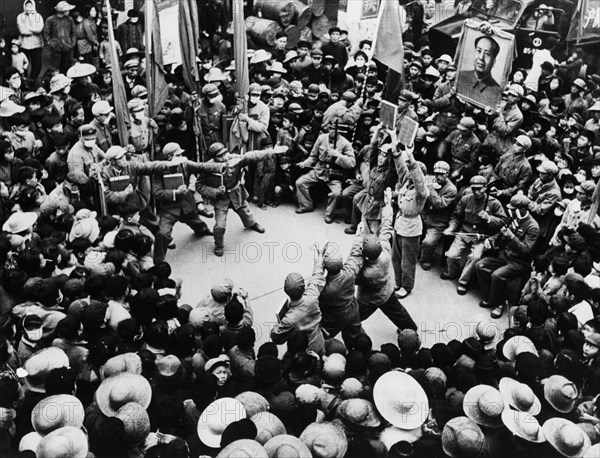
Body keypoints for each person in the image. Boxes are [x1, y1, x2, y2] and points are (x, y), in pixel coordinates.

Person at [195, 142, 288, 256]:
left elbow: (253, 155)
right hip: (221, 199)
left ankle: (251, 224)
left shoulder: (234, 159)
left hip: (236, 193)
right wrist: (215, 191)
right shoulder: (207, 167)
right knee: (219, 225)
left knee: (245, 211)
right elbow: (199, 186)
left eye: (225, 153)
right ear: (213, 158)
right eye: (220, 156)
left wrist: (271, 151)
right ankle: (219, 245)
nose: (224, 157)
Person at [357, 187, 418, 332]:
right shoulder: (384, 250)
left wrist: (358, 236)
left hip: (368, 298)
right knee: (398, 313)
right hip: (386, 291)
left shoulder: (364, 271)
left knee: (353, 318)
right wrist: (388, 205)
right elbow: (386, 226)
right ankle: (411, 329)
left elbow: (351, 275)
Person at [152, 143, 224, 263]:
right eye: (178, 154)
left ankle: (203, 230)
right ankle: (158, 262)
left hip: (187, 205)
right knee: (163, 234)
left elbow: (202, 166)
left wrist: (221, 166)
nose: (182, 156)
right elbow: (156, 192)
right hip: (169, 209)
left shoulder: (185, 164)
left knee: (196, 221)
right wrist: (175, 192)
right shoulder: (159, 170)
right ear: (169, 157)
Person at [476, 193, 539, 318]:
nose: (510, 210)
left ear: (522, 209)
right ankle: (493, 295)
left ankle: (498, 302)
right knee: (480, 266)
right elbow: (501, 233)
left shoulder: (532, 226)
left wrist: (512, 236)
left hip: (519, 262)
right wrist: (491, 240)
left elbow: (526, 249)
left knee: (497, 275)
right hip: (505, 255)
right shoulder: (514, 218)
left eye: (513, 209)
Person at [441, 175, 507, 295]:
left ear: (485, 187)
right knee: (451, 255)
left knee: (475, 257)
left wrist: (489, 218)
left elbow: (503, 221)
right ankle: (452, 272)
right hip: (464, 232)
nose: (476, 192)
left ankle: (463, 282)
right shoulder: (466, 199)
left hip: (481, 237)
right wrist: (451, 227)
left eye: (479, 189)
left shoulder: (494, 203)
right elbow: (456, 216)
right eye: (473, 189)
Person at [271, 243, 327, 355]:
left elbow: (276, 337)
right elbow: (317, 275)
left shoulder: (289, 319)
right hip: (318, 341)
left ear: (286, 290)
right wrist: (320, 256)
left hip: (301, 350)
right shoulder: (312, 296)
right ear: (303, 287)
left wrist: (278, 324)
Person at [391, 135, 429, 299]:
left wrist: (411, 158)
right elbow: (399, 164)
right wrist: (394, 138)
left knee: (408, 260)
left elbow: (418, 178)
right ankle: (398, 281)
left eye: (412, 173)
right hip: (400, 224)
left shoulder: (422, 191)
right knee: (396, 257)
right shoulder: (406, 184)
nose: (408, 175)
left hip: (411, 229)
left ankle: (406, 285)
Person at [295, 129, 356, 224]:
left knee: (336, 193)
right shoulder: (321, 138)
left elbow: (352, 163)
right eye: (331, 128)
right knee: (300, 182)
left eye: (335, 129)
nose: (333, 131)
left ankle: (329, 214)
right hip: (319, 170)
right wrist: (305, 163)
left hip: (334, 174)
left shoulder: (345, 143)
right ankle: (306, 205)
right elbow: (313, 156)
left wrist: (338, 155)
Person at [420, 161, 457, 270]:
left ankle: (425, 259)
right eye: (436, 174)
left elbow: (440, 204)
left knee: (428, 242)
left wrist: (430, 189)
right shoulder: (431, 179)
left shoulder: (451, 189)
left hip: (438, 222)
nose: (438, 177)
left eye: (442, 174)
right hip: (424, 215)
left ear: (447, 174)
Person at [459, 34, 502, 108]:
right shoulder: (460, 76)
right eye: (478, 51)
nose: (481, 57)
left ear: (494, 62)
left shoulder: (496, 90)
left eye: (487, 54)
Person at [42, 1, 77, 74]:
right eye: (67, 10)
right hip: (56, 49)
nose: (68, 11)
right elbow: (46, 33)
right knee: (55, 68)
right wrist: (51, 43)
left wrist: (72, 43)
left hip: (67, 48)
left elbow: (73, 32)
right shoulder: (50, 19)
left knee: (67, 67)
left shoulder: (69, 19)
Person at [16, 0, 44, 81]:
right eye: (27, 6)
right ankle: (24, 80)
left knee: (37, 64)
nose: (28, 8)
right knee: (23, 63)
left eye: (30, 6)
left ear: (34, 6)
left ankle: (32, 80)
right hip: (24, 44)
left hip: (37, 44)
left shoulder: (38, 16)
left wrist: (28, 28)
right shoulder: (20, 16)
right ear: (24, 6)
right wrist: (34, 30)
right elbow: (22, 31)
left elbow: (40, 29)